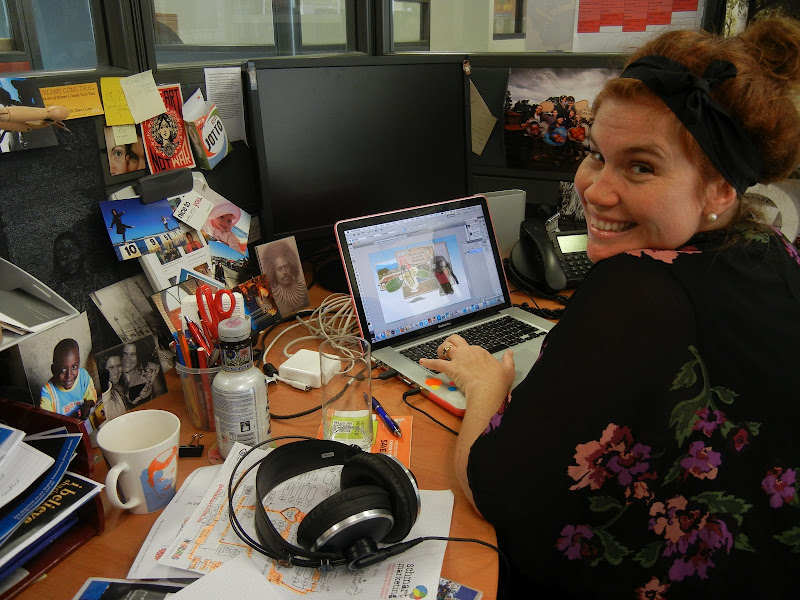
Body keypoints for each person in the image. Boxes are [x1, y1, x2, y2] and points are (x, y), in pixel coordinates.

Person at [420, 17, 800, 598]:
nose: (594, 190)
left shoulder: (637, 289)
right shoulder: (772, 249)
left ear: (720, 188)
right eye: (595, 154)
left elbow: (492, 487)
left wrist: (484, 383)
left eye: (641, 166)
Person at [39, 338, 97, 418]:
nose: (69, 375)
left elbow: (93, 400)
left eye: (74, 367)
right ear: (53, 370)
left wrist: (87, 405)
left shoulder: (83, 377)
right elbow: (48, 421)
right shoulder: (48, 393)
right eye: (63, 369)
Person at [261, 240, 309, 316]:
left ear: (291, 267)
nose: (284, 272)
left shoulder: (303, 291)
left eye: (286, 266)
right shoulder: (272, 299)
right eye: (279, 269)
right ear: (274, 272)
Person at [122, 339, 164, 408]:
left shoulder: (149, 369)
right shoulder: (116, 373)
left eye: (133, 354)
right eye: (125, 354)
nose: (127, 359)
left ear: (138, 355)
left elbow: (159, 390)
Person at [100, 351, 127, 420]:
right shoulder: (106, 395)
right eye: (111, 367)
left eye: (119, 366)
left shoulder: (126, 383)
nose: (116, 372)